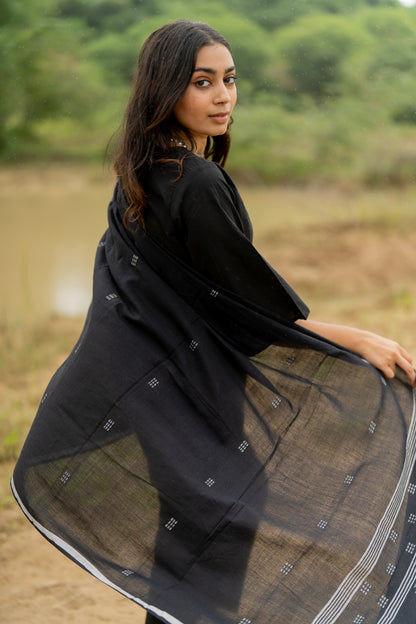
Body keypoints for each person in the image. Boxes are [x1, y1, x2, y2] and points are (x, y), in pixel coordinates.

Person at [12, 20, 416, 624]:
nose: (224, 96)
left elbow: (207, 298)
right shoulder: (194, 181)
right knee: (218, 523)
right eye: (202, 82)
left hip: (160, 388)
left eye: (230, 80)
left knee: (194, 532)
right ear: (165, 89)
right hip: (189, 388)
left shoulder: (140, 174)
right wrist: (358, 340)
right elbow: (248, 312)